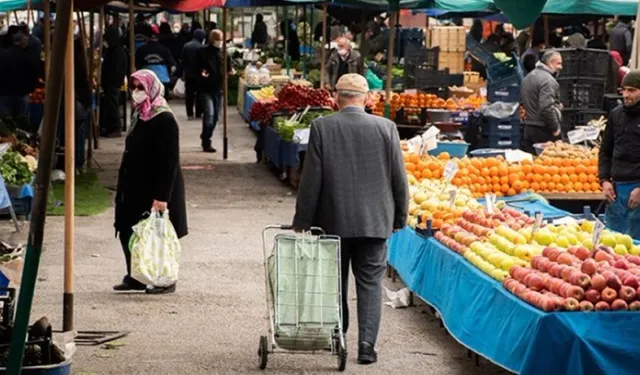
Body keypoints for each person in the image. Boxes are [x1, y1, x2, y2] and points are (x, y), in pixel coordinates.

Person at [292, 74, 408, 365]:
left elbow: (311, 180)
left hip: (333, 220)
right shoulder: (387, 128)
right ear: (368, 99)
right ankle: (367, 346)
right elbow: (399, 179)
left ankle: (338, 337)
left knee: (335, 281)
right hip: (375, 222)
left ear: (336, 98)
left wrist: (302, 219)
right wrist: (400, 216)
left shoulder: (322, 127)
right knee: (370, 284)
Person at [114, 69, 187, 294]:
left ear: (152, 89)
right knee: (129, 230)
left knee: (157, 235)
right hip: (135, 185)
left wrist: (162, 196)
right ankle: (136, 275)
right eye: (133, 87)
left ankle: (164, 279)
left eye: (140, 88)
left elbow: (169, 160)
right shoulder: (140, 114)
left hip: (155, 187)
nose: (136, 92)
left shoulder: (163, 118)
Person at [599, 70, 640, 239]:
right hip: (616, 190)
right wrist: (604, 180)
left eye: (632, 90)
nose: (626, 95)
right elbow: (605, 150)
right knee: (612, 245)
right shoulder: (616, 115)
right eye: (624, 90)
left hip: (637, 189)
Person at [194, 30, 232, 153]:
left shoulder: (225, 53)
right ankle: (206, 141)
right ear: (211, 39)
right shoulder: (202, 52)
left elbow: (229, 69)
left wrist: (230, 73)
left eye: (221, 39)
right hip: (205, 89)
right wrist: (201, 74)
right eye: (217, 39)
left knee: (216, 117)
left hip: (219, 89)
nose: (219, 42)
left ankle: (205, 135)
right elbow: (195, 68)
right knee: (209, 115)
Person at [520, 50, 563, 154]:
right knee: (546, 166)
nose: (561, 67)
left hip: (529, 128)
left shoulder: (528, 77)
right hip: (543, 130)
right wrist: (555, 127)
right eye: (559, 63)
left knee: (532, 165)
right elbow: (546, 107)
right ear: (549, 63)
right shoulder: (548, 80)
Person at [0, 32, 38, 118]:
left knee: (5, 123)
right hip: (21, 94)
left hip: (4, 93)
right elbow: (33, 75)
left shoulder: (2, 54)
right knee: (22, 124)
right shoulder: (27, 57)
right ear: (23, 42)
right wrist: (30, 89)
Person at [100, 26, 128, 137]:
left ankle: (116, 128)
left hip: (113, 83)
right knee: (110, 105)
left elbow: (116, 69)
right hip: (111, 83)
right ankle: (110, 127)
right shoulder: (114, 50)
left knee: (113, 105)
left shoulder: (117, 52)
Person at [135, 24, 177, 99]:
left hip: (146, 77)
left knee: (147, 97)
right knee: (162, 98)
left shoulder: (141, 49)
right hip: (162, 78)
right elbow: (172, 64)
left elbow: (137, 64)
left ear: (147, 38)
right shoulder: (165, 49)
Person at [181, 28, 206, 120]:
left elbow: (182, 61)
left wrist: (182, 73)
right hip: (200, 75)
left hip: (189, 74)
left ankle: (190, 114)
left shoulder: (186, 46)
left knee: (189, 94)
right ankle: (198, 113)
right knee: (199, 94)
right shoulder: (202, 47)